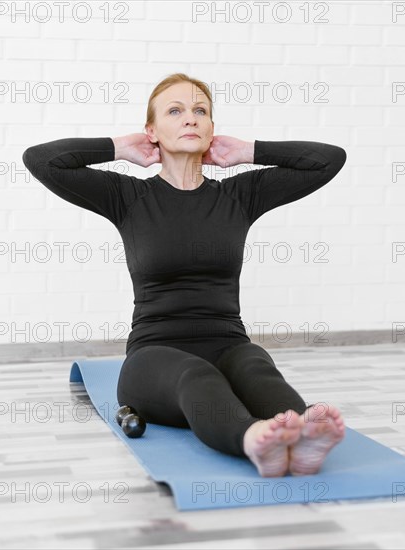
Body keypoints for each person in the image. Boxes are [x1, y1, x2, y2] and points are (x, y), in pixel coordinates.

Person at [22, 72, 347, 478]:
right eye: (175, 111)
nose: (190, 119)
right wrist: (122, 146)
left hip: (228, 343)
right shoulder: (127, 197)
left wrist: (247, 151)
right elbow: (40, 159)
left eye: (200, 111)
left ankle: (302, 436)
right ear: (153, 131)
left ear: (212, 130)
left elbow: (329, 159)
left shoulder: (239, 196)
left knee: (255, 366)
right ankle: (254, 442)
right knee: (196, 376)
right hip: (153, 356)